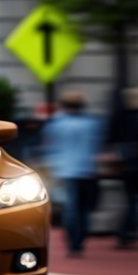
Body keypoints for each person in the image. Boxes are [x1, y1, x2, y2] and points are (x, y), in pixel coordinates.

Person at [42, 91, 105, 256]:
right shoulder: (92, 124)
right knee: (84, 209)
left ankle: (72, 242)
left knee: (71, 208)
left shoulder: (56, 124)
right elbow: (97, 146)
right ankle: (80, 240)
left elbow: (49, 146)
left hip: (65, 170)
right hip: (87, 169)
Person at [106, 86, 138, 249]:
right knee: (135, 201)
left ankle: (127, 233)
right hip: (136, 164)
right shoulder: (136, 118)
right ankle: (127, 233)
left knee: (131, 200)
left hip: (126, 164)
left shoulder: (118, 117)